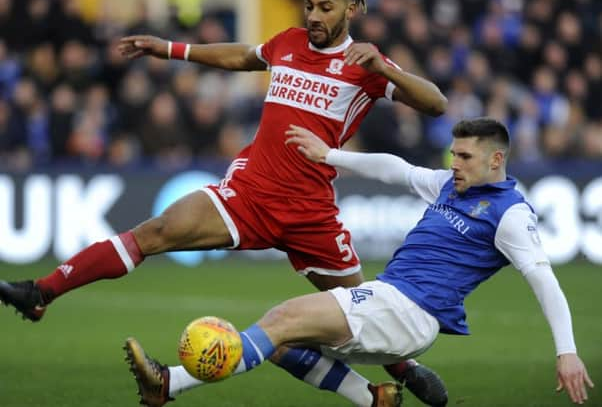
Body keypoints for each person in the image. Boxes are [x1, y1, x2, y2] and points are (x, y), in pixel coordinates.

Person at [0, 0, 448, 407]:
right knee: (155, 231)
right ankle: (42, 292)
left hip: (310, 216)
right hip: (248, 196)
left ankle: (398, 373)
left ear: (352, 10)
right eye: (309, 5)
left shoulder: (363, 63)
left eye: (325, 8)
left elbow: (435, 103)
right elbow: (243, 57)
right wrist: (172, 49)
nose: (313, 15)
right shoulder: (289, 42)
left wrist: (385, 68)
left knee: (356, 316)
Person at [125, 117, 595, 407]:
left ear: (496, 160)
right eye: (453, 153)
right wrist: (329, 155)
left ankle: (170, 385)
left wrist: (566, 352)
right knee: (283, 344)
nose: (455, 163)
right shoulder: (452, 185)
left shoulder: (510, 214)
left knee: (280, 320)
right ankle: (372, 398)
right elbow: (397, 169)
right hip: (394, 305)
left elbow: (543, 280)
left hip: (411, 309)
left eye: (466, 156)